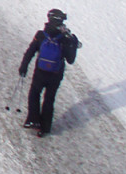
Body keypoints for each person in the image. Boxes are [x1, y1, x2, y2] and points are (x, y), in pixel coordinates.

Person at [17, 9, 81, 137]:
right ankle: (45, 128)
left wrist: (24, 66)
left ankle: (33, 120)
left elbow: (30, 51)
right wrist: (72, 44)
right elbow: (70, 60)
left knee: (34, 93)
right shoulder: (65, 38)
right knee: (49, 99)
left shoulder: (41, 35)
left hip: (40, 72)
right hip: (56, 74)